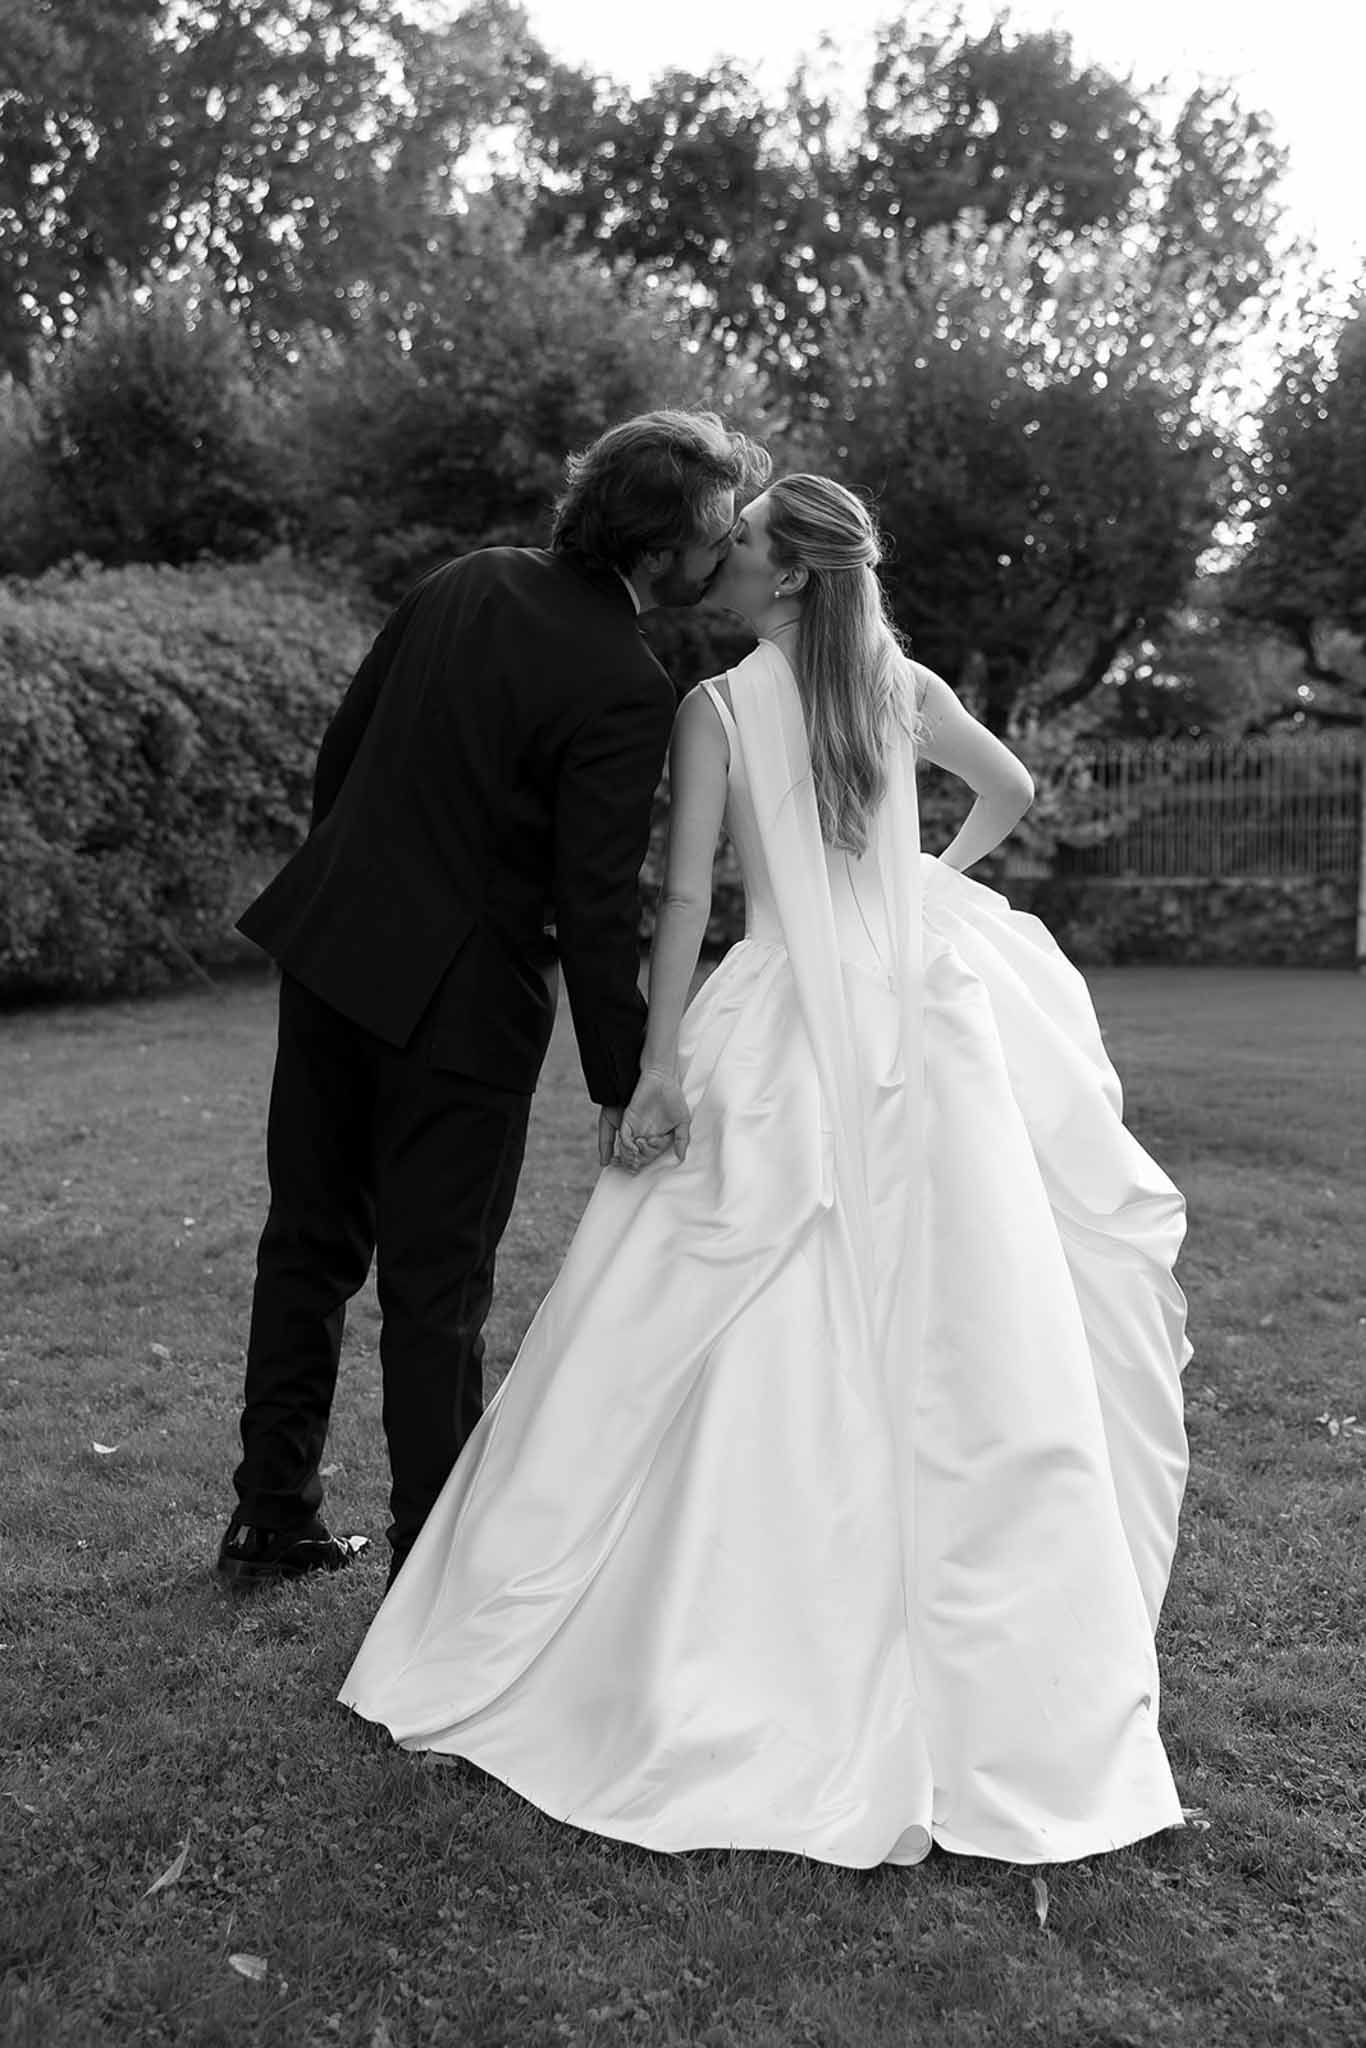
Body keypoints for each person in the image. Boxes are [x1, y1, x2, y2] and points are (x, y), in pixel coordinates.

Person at [338, 475, 1192, 1869]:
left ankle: (723, 1622)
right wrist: (927, 885)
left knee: (707, 1291)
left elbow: (679, 902)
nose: (720, 563)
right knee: (956, 1306)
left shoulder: (720, 707)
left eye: (740, 550)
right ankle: (974, 1643)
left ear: (789, 579)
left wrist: (659, 1062)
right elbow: (1013, 790)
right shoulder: (898, 685)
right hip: (913, 1018)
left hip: (779, 1011)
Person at [215, 409, 771, 1592]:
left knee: (305, 1246)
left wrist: (355, 885)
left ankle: (271, 1517)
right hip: (459, 1011)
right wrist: (629, 1078)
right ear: (657, 541)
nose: (721, 558)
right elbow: (595, 897)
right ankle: (432, 1568)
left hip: (331, 951)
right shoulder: (626, 680)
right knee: (435, 1287)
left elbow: (340, 752)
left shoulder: (465, 580)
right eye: (713, 535)